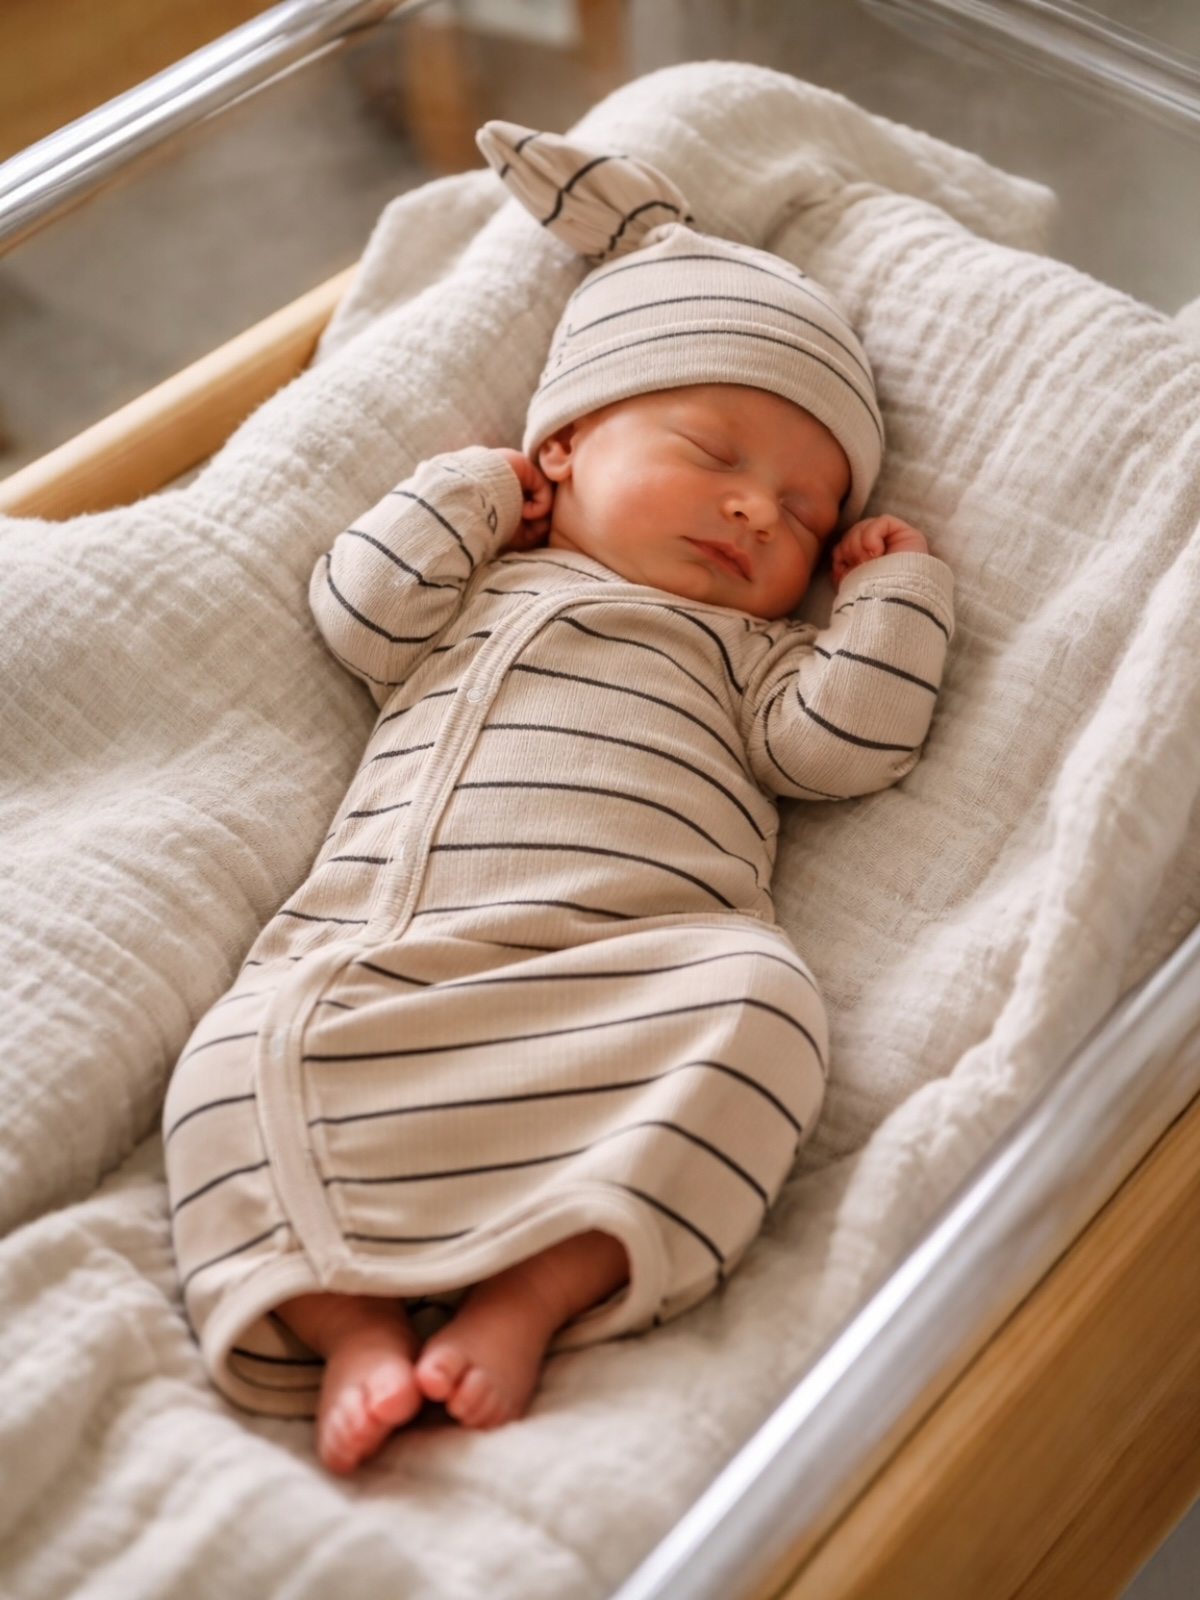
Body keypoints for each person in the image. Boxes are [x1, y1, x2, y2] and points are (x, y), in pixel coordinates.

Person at [163, 122, 954, 1475]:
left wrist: (890, 595)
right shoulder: (485, 590)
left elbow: (845, 748)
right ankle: (346, 1321)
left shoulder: (755, 656)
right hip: (381, 951)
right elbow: (360, 609)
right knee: (238, 1063)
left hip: (639, 970)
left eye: (810, 513)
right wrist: (470, 493)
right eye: (713, 450)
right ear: (570, 445)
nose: (760, 512)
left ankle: (533, 1291)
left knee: (767, 1014)